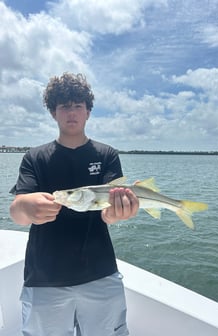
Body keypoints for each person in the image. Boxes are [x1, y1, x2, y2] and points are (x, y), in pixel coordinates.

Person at [9, 72, 139, 336]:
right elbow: (17, 212)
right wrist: (27, 207)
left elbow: (108, 212)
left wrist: (119, 212)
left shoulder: (106, 155)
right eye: (64, 106)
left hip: (100, 272)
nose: (71, 112)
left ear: (88, 112)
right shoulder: (35, 158)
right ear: (53, 112)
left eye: (78, 105)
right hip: (45, 278)